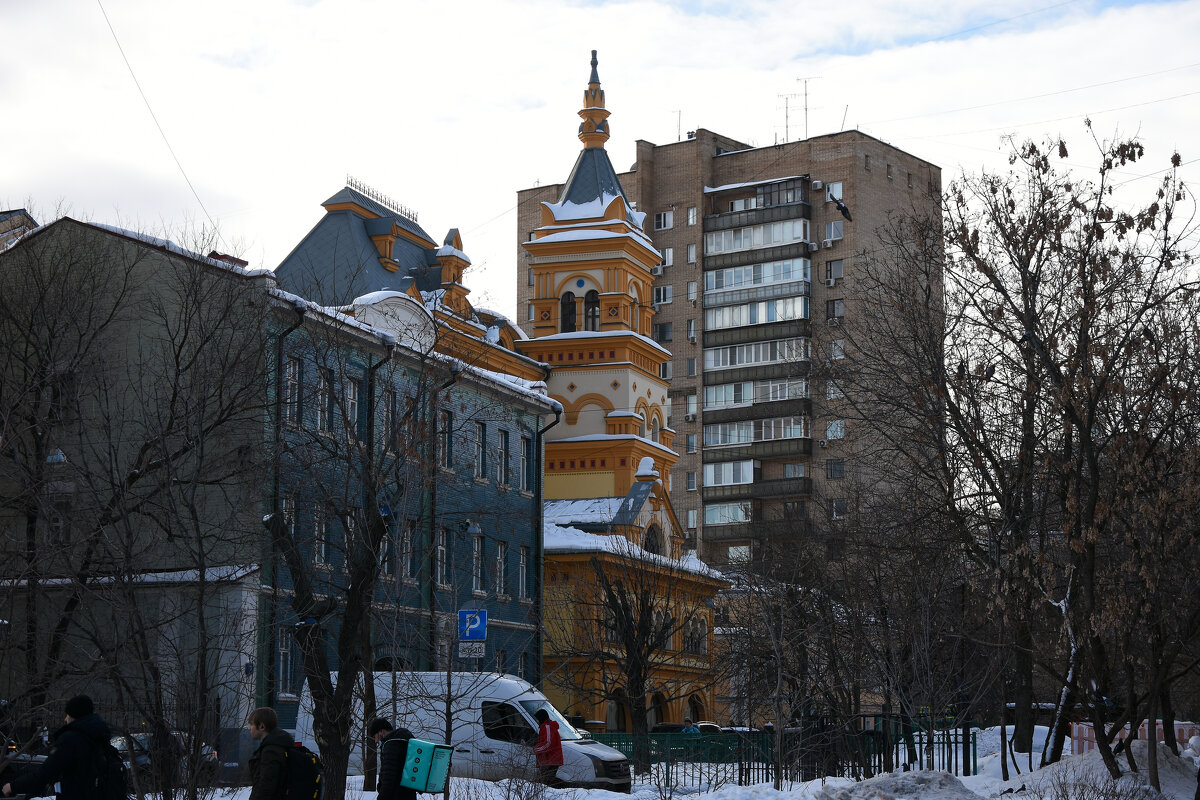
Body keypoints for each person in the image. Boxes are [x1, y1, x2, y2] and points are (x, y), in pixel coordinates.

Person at [1, 694, 113, 800]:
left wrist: (13, 786)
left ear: (74, 715)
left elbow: (45, 773)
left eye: (67, 715)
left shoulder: (71, 739)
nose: (65, 719)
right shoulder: (99, 737)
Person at [246, 706, 294, 800]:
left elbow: (266, 788)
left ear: (262, 726)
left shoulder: (271, 751)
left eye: (251, 724)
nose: (249, 728)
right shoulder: (278, 745)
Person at [369, 718, 416, 800]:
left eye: (376, 736)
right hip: (409, 792)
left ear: (382, 731)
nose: (376, 740)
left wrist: (382, 797)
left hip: (396, 794)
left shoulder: (391, 745)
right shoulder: (406, 740)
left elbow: (389, 776)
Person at [531, 709, 563, 786]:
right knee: (546, 781)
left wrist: (535, 750)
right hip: (549, 760)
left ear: (541, 718)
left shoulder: (547, 727)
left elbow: (548, 744)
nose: (537, 721)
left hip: (550, 760)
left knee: (546, 782)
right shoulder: (546, 727)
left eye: (538, 719)